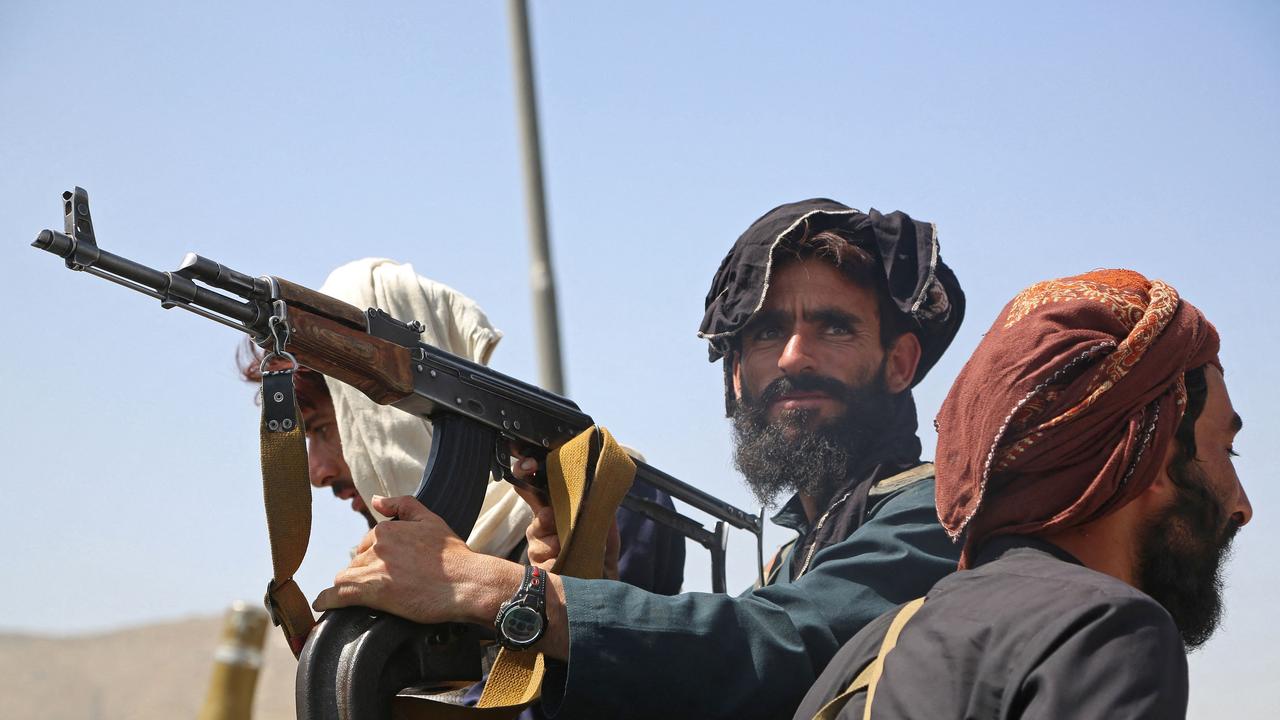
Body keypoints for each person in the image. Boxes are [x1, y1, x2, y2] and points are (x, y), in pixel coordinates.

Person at [314, 199, 967, 719]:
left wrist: (495, 588)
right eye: (767, 332)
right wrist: (586, 587)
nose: (794, 357)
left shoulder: (936, 516)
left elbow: (778, 644)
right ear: (736, 374)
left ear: (899, 363)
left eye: (834, 327)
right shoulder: (800, 555)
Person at [792, 269, 1252, 720]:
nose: (1242, 506)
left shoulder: (869, 650)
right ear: (1150, 451)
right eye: (1225, 449)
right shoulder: (1105, 628)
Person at [239, 257, 686, 585]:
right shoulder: (405, 572)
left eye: (323, 428)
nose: (318, 473)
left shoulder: (609, 502)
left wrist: (485, 594)